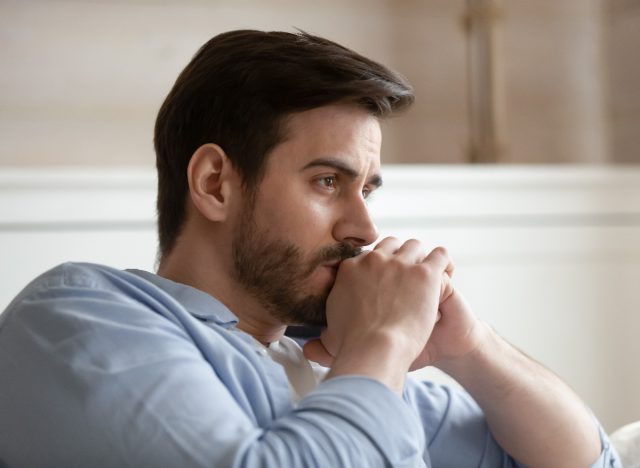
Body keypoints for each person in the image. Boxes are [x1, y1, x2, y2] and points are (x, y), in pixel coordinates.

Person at [0, 30, 620, 467]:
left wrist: (471, 350)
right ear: (216, 183)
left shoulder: (336, 362)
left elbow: (591, 461)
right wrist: (382, 345)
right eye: (328, 182)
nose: (364, 228)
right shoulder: (81, 317)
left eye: (367, 189)